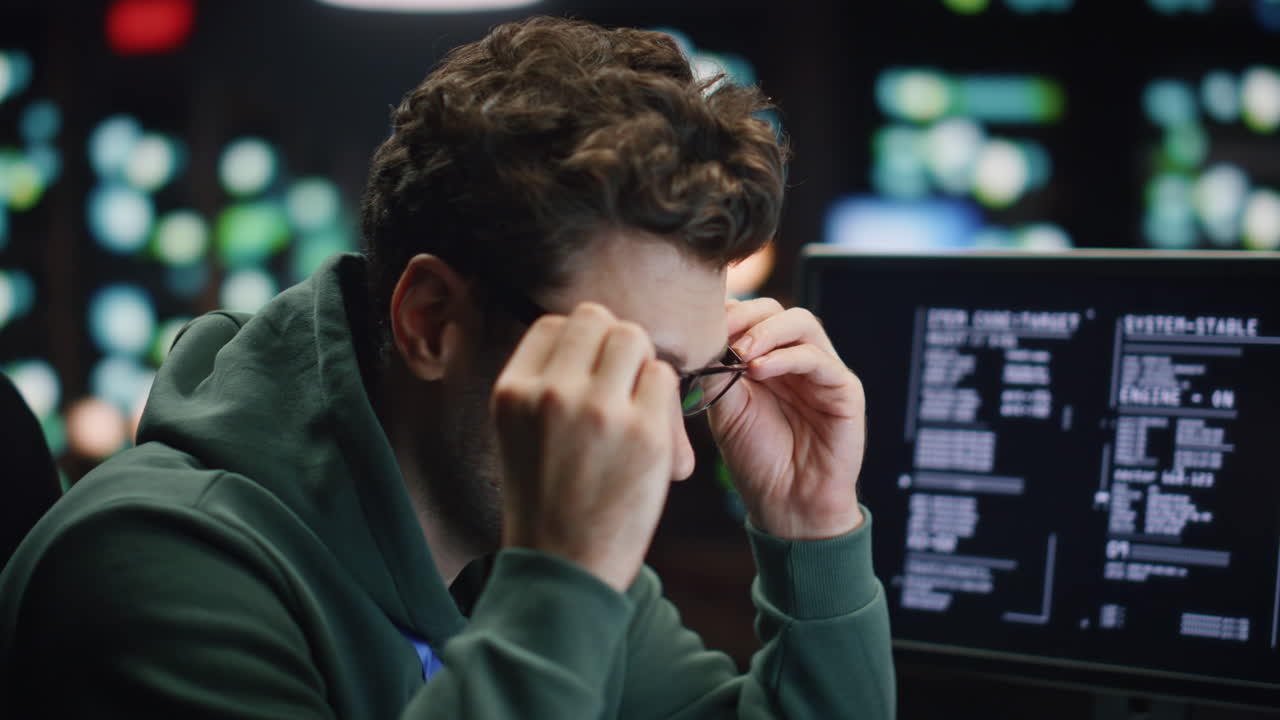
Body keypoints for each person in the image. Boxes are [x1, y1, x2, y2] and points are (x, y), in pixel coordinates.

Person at [0, 16, 893, 718]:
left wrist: (811, 531)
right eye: (617, 371)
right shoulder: (151, 570)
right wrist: (563, 584)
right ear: (431, 320)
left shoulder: (515, 549)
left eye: (688, 381)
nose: (676, 458)